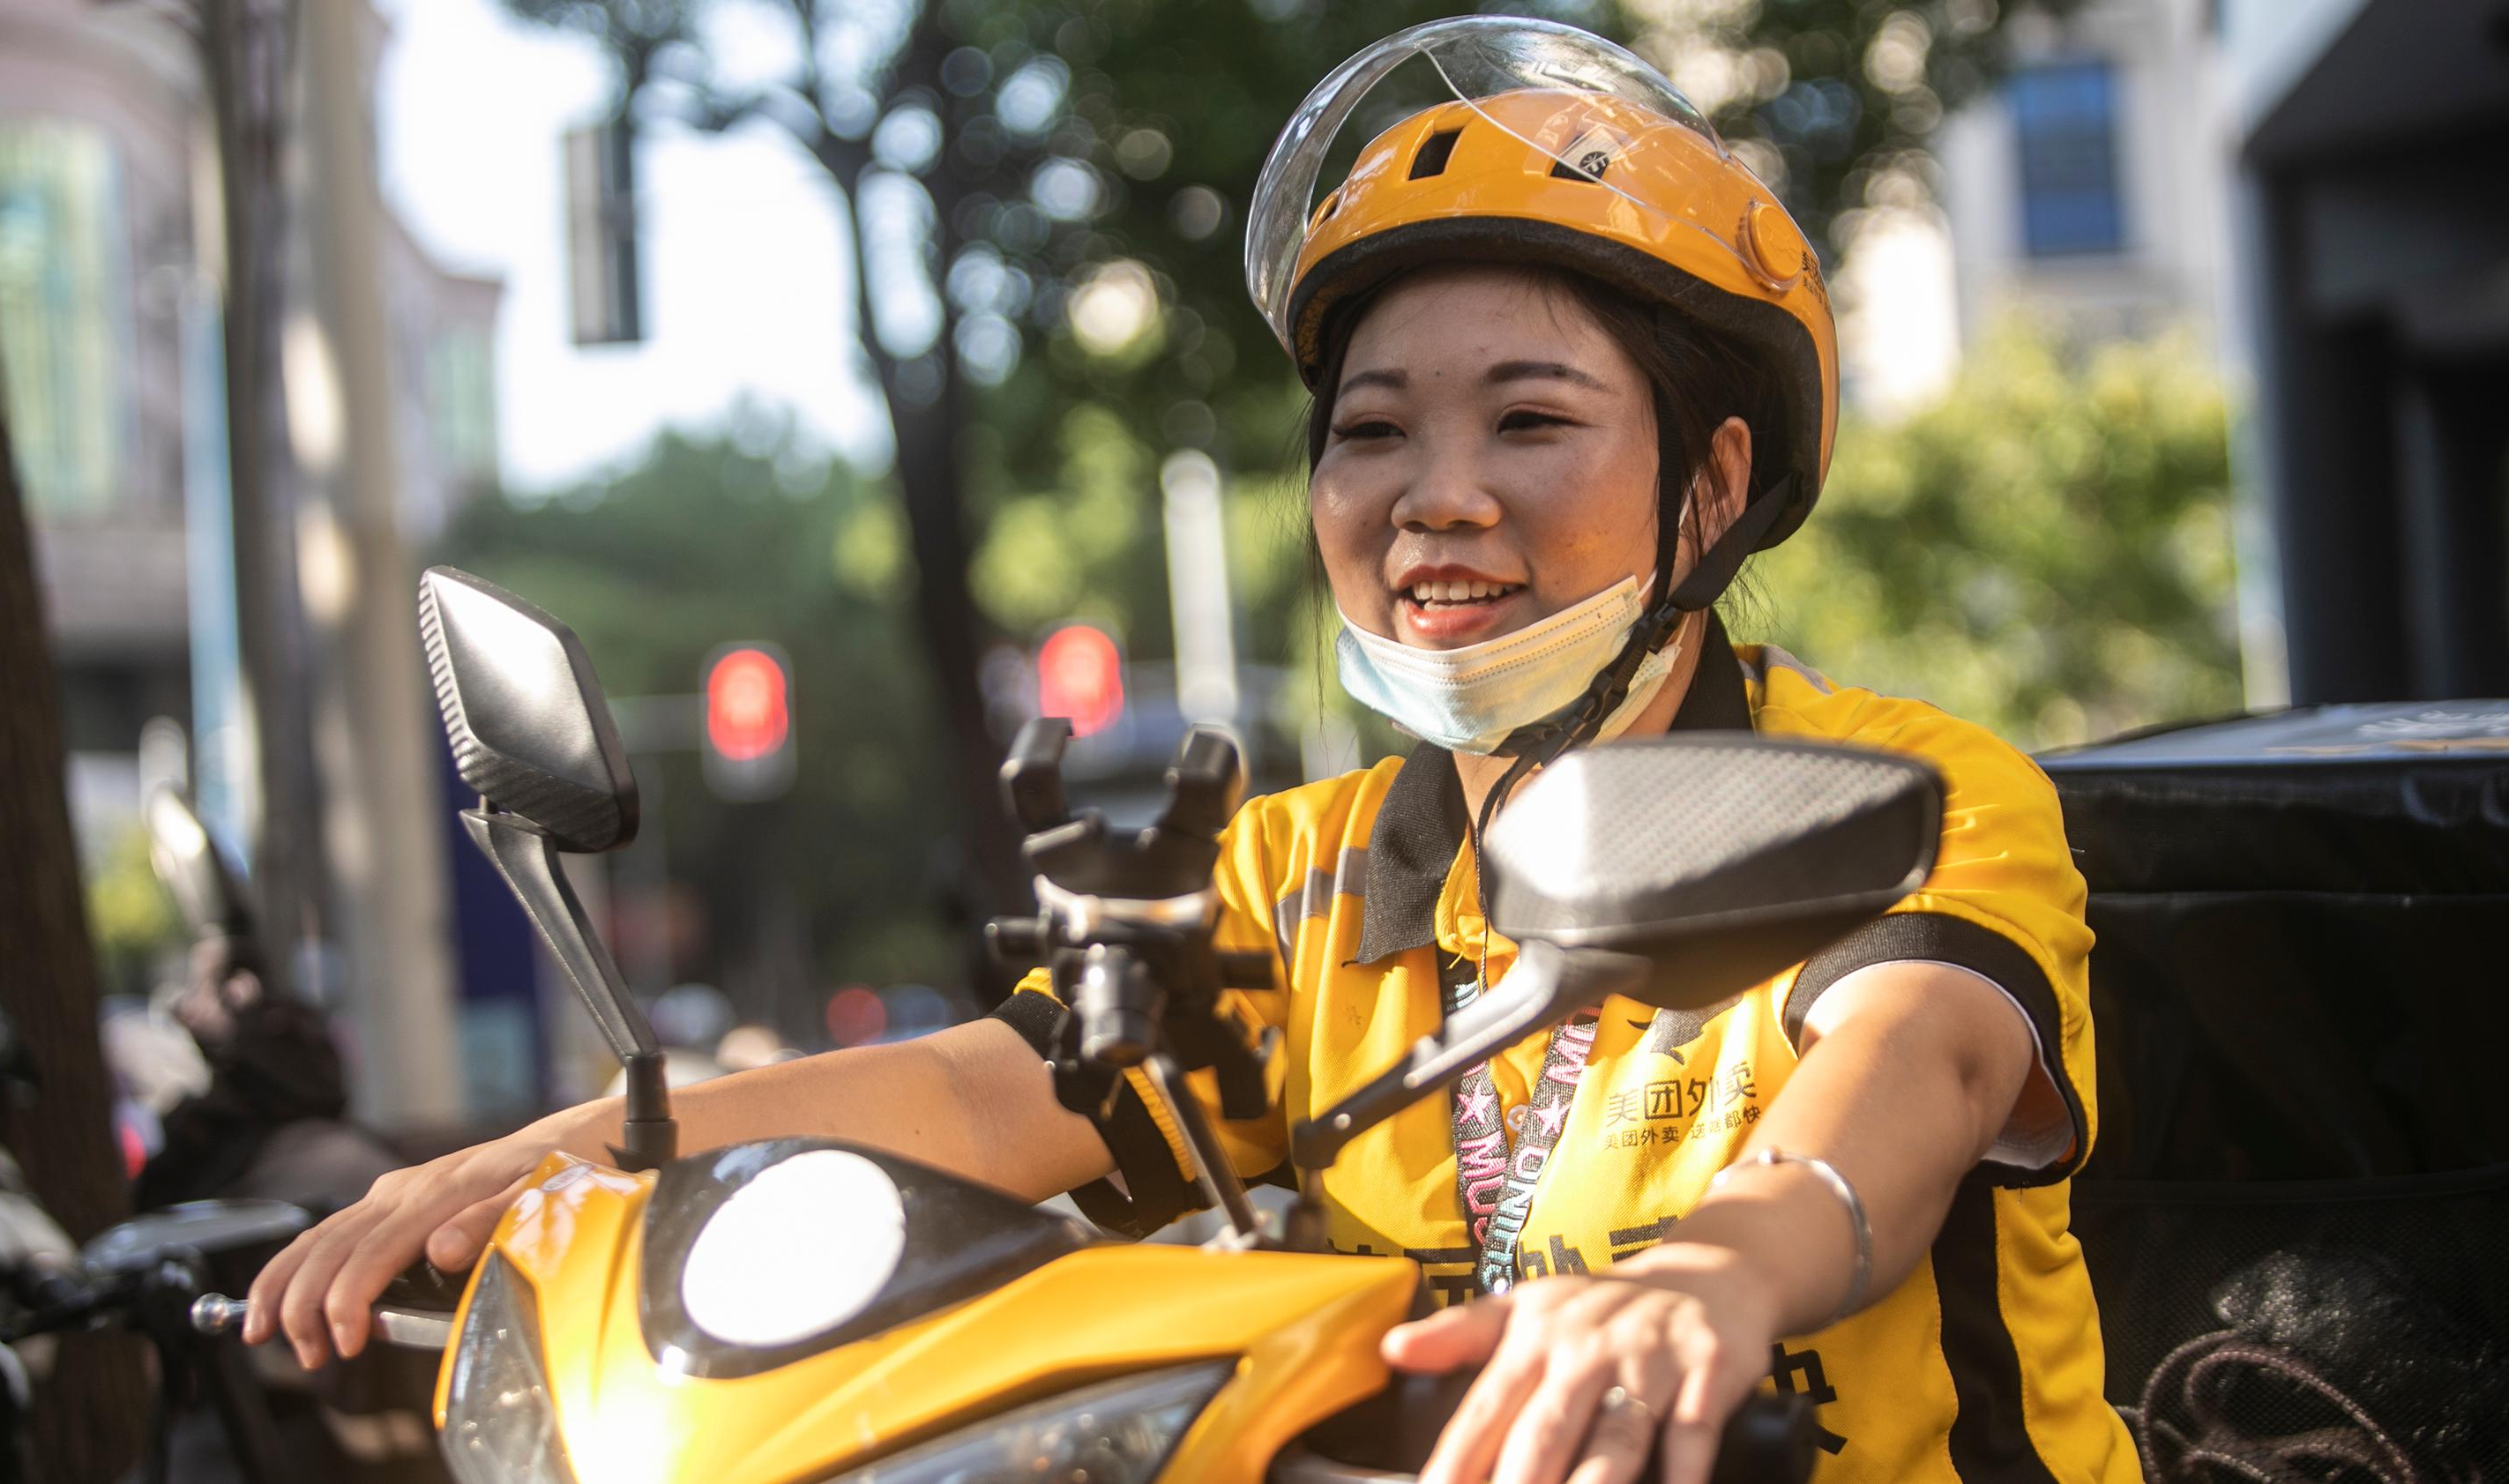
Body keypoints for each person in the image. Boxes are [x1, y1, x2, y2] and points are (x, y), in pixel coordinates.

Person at [246, 19, 2140, 1484]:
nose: (1435, 499)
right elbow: (990, 1099)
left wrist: (1719, 1266)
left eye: (1530, 421)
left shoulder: (1905, 789)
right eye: (1372, 431)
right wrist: (567, 1151)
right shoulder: (1299, 873)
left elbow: (1919, 1055)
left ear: (1709, 483)